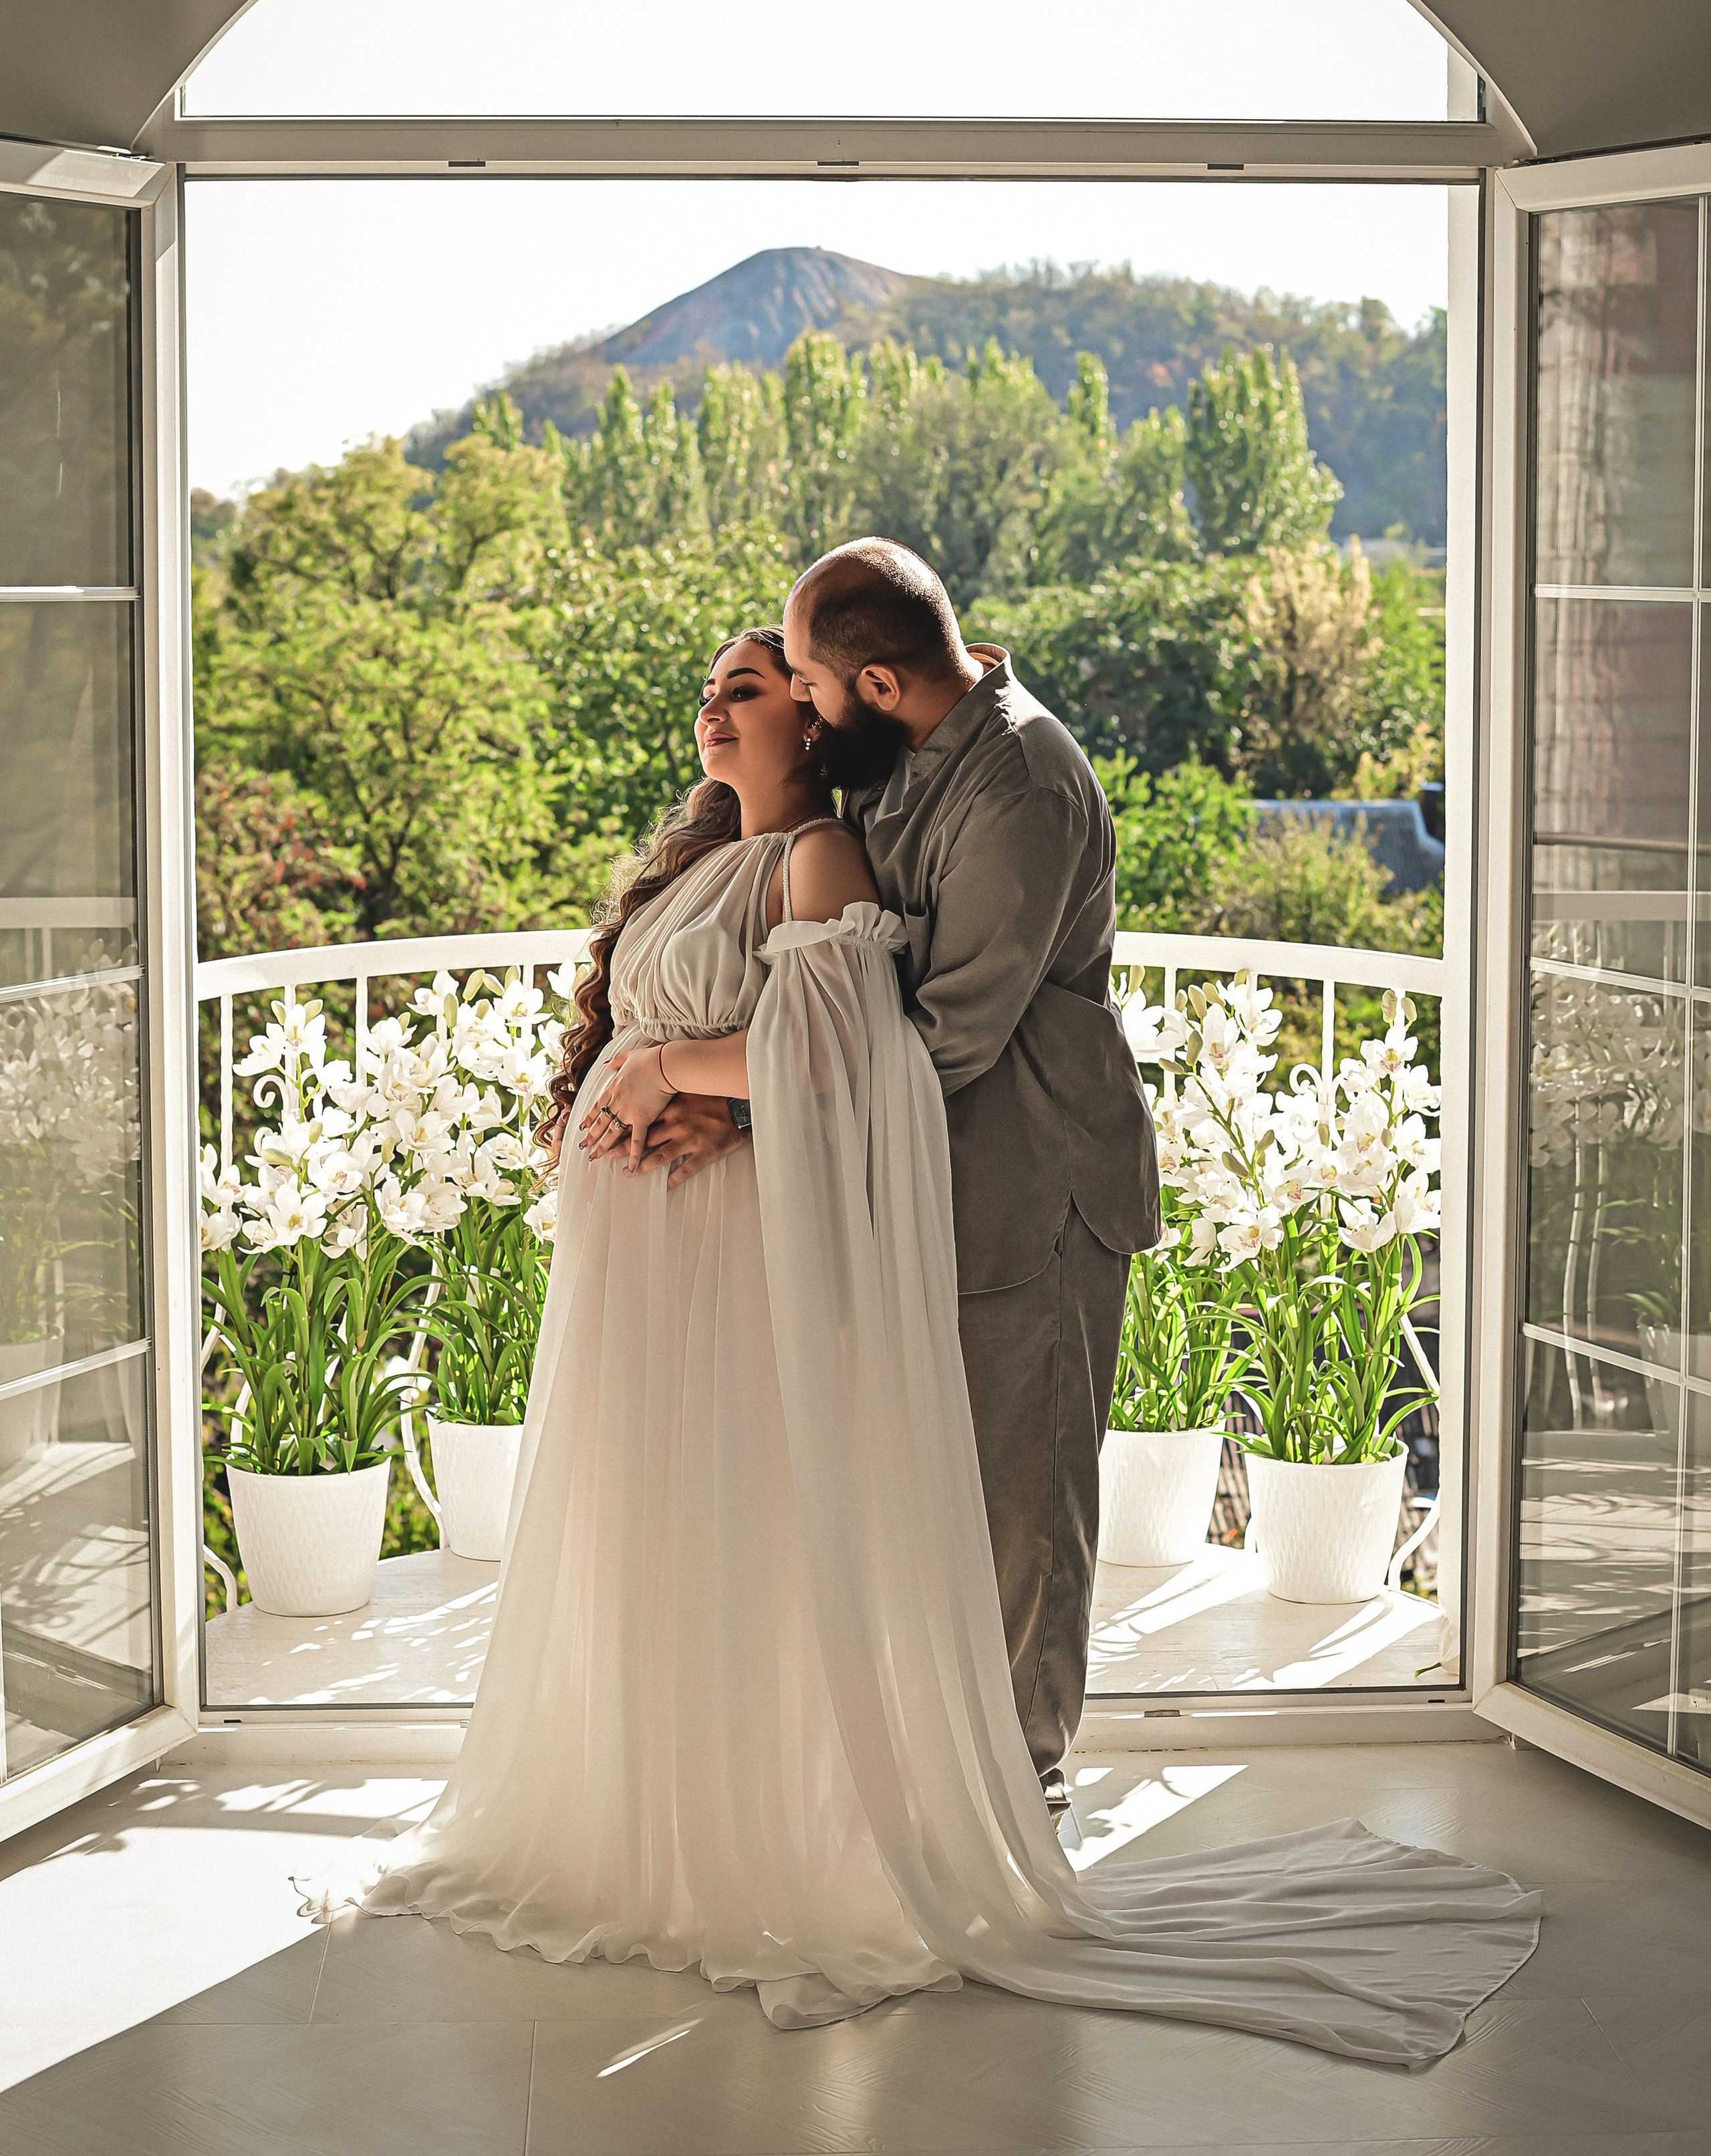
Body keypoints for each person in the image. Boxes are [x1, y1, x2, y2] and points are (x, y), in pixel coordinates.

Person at [330, 624, 1539, 2056]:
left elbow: (842, 1051)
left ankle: (840, 1835)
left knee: (796, 1523)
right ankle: (644, 1820)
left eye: (750, 691)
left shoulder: (827, 858)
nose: (713, 714)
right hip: (643, 1259)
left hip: (730, 1250)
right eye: (707, 693)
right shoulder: (700, 862)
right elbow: (745, 1035)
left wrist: (670, 1074)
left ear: (823, 719)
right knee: (645, 1527)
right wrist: (635, 1080)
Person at [781, 539, 1157, 1813]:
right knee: (940, 1494)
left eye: (814, 689)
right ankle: (940, 1767)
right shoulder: (901, 759)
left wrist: (766, 1107)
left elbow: (952, 1026)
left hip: (1036, 1182)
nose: (805, 712)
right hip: (938, 1183)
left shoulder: (1022, 780)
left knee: (1026, 1501)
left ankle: (1020, 1792)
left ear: (879, 682)